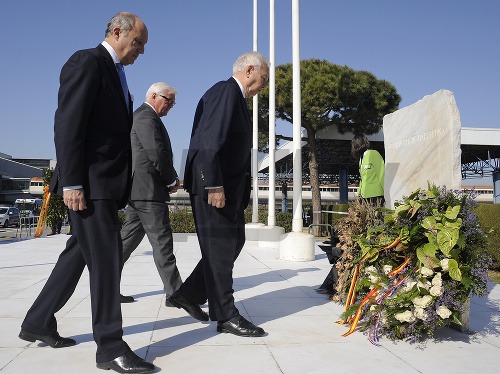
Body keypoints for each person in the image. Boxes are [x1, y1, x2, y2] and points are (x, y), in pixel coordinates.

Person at [19, 12, 155, 374]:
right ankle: (110, 347)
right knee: (107, 262)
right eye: (138, 42)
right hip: (90, 186)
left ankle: (37, 322)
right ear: (116, 32)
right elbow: (68, 124)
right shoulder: (88, 61)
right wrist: (73, 183)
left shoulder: (116, 73)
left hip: (105, 185)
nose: (141, 51)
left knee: (77, 255)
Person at [167, 51, 270, 336]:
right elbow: (209, 140)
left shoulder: (234, 97)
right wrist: (213, 184)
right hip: (215, 187)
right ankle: (226, 315)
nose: (263, 86)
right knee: (222, 250)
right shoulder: (226, 91)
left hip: (227, 188)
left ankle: (187, 295)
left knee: (231, 243)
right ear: (249, 70)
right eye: (263, 79)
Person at [119, 82, 182, 305]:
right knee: (162, 243)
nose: (171, 106)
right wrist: (172, 179)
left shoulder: (144, 116)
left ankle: (106, 289)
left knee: (124, 244)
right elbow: (156, 152)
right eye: (169, 101)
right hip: (149, 192)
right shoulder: (146, 117)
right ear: (154, 96)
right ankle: (176, 294)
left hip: (139, 192)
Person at [351, 134, 385, 206]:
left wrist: (386, 192)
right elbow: (362, 179)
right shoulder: (361, 159)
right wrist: (359, 194)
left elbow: (382, 173)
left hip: (376, 195)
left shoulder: (373, 153)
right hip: (365, 196)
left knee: (376, 216)